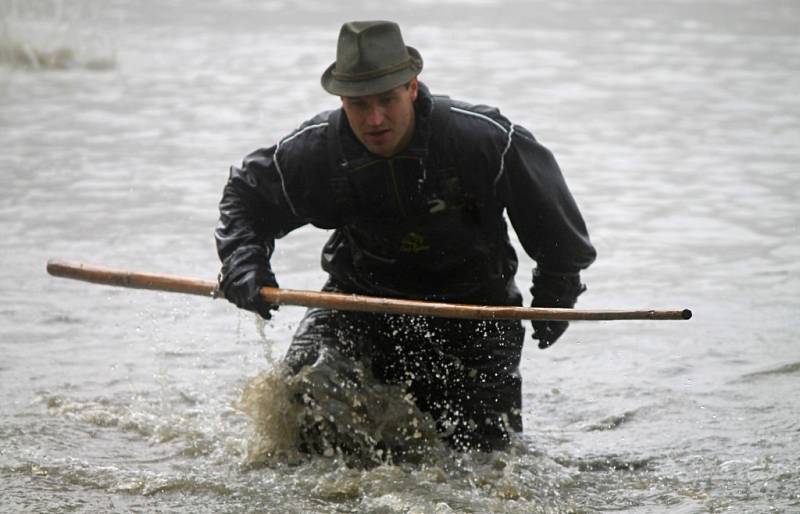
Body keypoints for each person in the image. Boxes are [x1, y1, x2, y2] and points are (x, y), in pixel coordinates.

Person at [215, 20, 596, 451]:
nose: (374, 119)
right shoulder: (316, 150)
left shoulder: (485, 141)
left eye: (387, 100)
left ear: (412, 88)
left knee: (488, 460)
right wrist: (244, 263)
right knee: (302, 390)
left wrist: (556, 296)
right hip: (358, 305)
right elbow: (245, 197)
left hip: (476, 316)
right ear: (341, 100)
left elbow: (559, 233)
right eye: (359, 104)